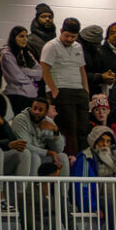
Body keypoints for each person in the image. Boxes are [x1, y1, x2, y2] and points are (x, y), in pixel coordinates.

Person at [39, 18, 89, 155]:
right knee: (68, 129)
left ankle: (83, 160)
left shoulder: (78, 47)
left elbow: (82, 69)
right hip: (61, 91)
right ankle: (70, 160)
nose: (69, 39)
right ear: (61, 31)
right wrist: (54, 90)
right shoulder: (51, 46)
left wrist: (86, 90)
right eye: (66, 35)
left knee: (83, 128)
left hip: (79, 91)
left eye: (73, 36)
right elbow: (45, 69)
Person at [10, 97, 70, 175]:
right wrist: (48, 152)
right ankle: (30, 187)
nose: (36, 112)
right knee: (35, 158)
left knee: (63, 157)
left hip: (42, 155)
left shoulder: (48, 122)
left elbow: (59, 149)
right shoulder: (20, 119)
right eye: (34, 108)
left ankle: (63, 187)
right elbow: (24, 145)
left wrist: (56, 132)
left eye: (40, 110)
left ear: (45, 113)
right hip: (23, 155)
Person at [0, 26, 43, 113]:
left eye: (26, 36)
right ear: (13, 38)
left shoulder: (27, 53)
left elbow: (40, 73)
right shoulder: (6, 54)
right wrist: (31, 78)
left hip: (31, 96)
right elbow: (17, 77)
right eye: (21, 36)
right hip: (15, 95)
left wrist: (24, 70)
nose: (25, 39)